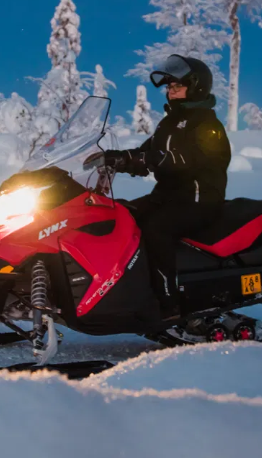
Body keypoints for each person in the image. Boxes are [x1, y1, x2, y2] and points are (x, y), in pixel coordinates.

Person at [84, 54, 231, 318]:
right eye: (169, 87)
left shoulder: (208, 125)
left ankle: (168, 302)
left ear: (196, 86)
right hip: (168, 198)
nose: (170, 91)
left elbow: (185, 159)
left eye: (177, 86)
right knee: (120, 215)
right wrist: (117, 158)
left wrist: (146, 159)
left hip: (198, 202)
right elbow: (147, 154)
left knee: (156, 230)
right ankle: (118, 290)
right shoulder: (170, 123)